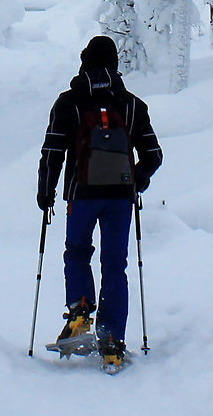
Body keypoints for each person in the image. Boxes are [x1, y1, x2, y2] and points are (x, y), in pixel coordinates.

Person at [37, 35, 163, 369]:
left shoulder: (68, 102)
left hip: (82, 196)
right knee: (115, 265)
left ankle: (79, 313)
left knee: (77, 251)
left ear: (84, 63)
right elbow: (153, 154)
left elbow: (52, 153)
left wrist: (45, 191)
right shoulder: (133, 105)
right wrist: (137, 179)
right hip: (120, 199)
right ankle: (112, 340)